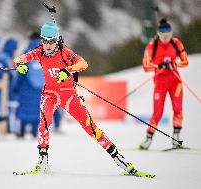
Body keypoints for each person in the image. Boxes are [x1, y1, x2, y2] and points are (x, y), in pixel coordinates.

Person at [13, 22, 142, 175]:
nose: (48, 45)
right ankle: (42, 161)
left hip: (69, 95)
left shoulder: (65, 52)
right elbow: (17, 59)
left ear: (57, 40)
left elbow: (83, 63)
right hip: (50, 94)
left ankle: (118, 158)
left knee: (90, 127)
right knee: (44, 123)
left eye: (51, 41)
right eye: (45, 41)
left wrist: (68, 70)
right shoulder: (39, 51)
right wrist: (20, 66)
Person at [139, 18, 189, 150]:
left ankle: (176, 138)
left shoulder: (176, 42)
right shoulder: (152, 45)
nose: (166, 38)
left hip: (175, 81)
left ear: (171, 34)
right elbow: (145, 66)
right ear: (158, 34)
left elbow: (185, 61)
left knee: (178, 109)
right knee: (158, 112)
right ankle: (148, 139)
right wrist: (159, 65)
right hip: (160, 82)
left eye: (168, 35)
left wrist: (174, 64)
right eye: (163, 36)